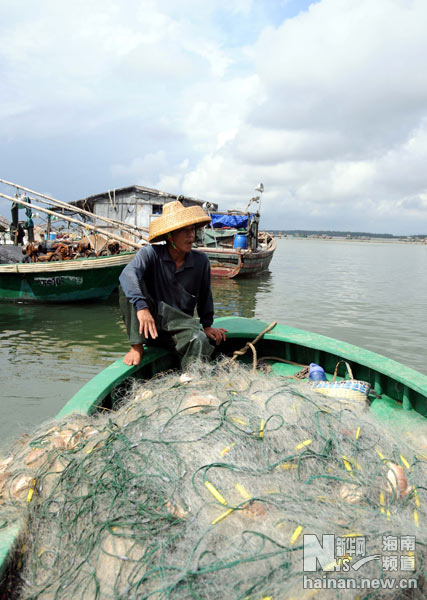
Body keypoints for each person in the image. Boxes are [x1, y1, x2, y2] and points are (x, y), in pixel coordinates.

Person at [119, 200, 227, 368]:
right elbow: (127, 274)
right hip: (149, 327)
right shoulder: (150, 254)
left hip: (180, 328)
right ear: (170, 236)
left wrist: (207, 325)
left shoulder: (201, 261)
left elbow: (206, 295)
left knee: (198, 340)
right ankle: (136, 347)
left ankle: (191, 379)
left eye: (192, 230)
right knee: (127, 286)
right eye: (184, 231)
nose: (190, 235)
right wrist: (142, 307)